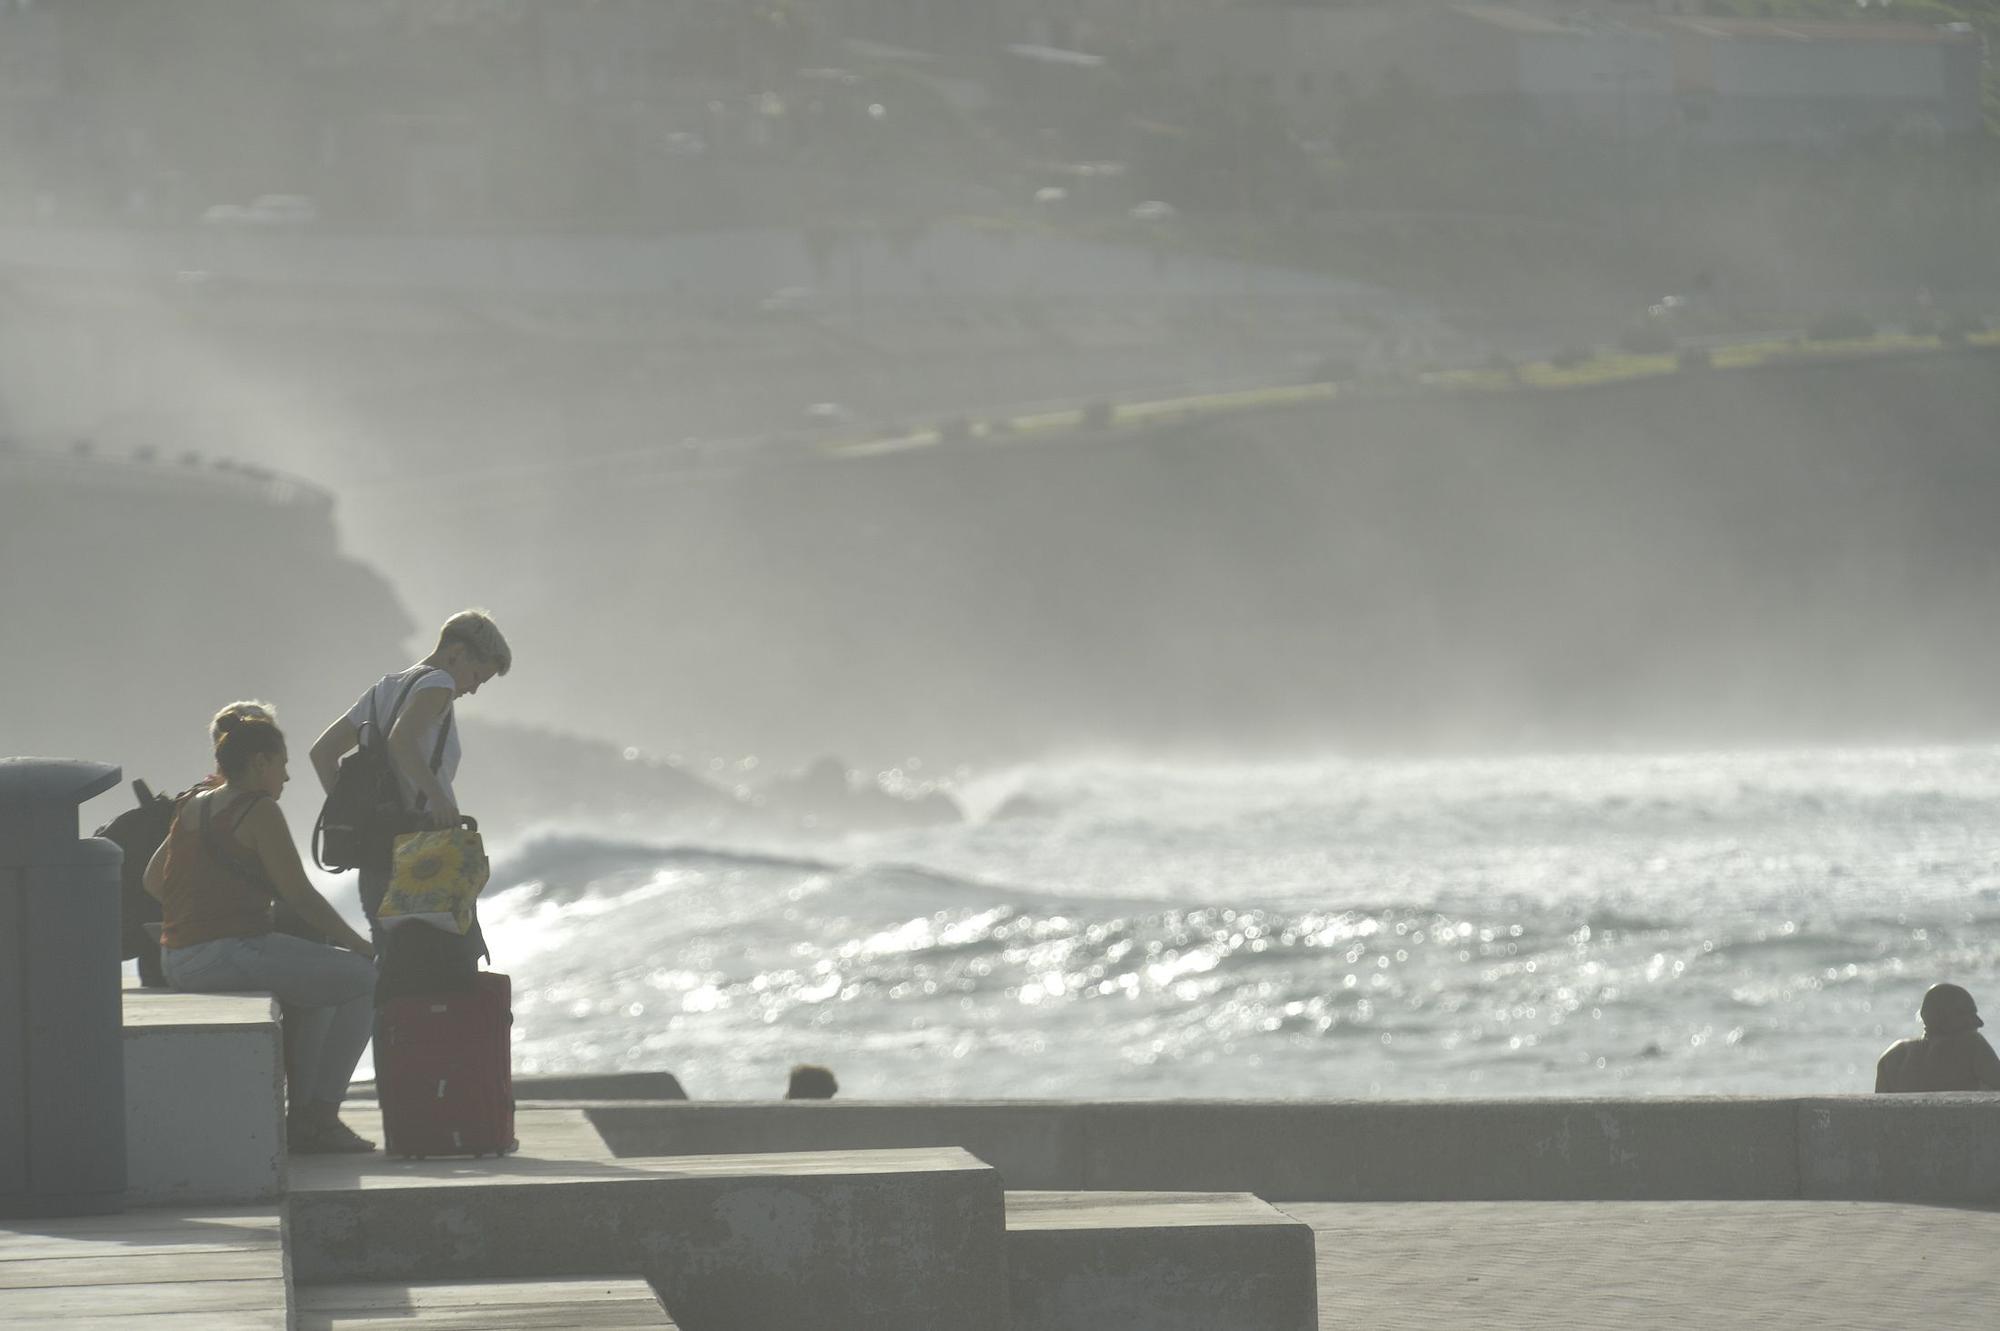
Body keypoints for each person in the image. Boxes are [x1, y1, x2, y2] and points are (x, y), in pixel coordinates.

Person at [143, 707, 379, 1153]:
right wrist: (361, 946)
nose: (287, 776)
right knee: (364, 979)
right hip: (228, 954)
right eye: (283, 763)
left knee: (319, 993)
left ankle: (303, 1117)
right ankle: (322, 1118)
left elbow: (153, 881)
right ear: (259, 763)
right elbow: (300, 897)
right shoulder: (259, 810)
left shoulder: (192, 805)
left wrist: (203, 911)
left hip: (176, 958)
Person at [309, 609, 511, 949]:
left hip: (376, 855)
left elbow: (323, 754)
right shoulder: (440, 683)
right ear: (456, 653)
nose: (474, 689)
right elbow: (400, 742)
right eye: (477, 676)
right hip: (423, 855)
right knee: (441, 971)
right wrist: (438, 798)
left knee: (392, 972)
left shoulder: (383, 689)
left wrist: (361, 816)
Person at [1875, 982, 2000, 1093]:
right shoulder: (1972, 1045)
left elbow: (1877, 1113)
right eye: (1967, 1014)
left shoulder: (1892, 1057)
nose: (1979, 1022)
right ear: (1943, 1016)